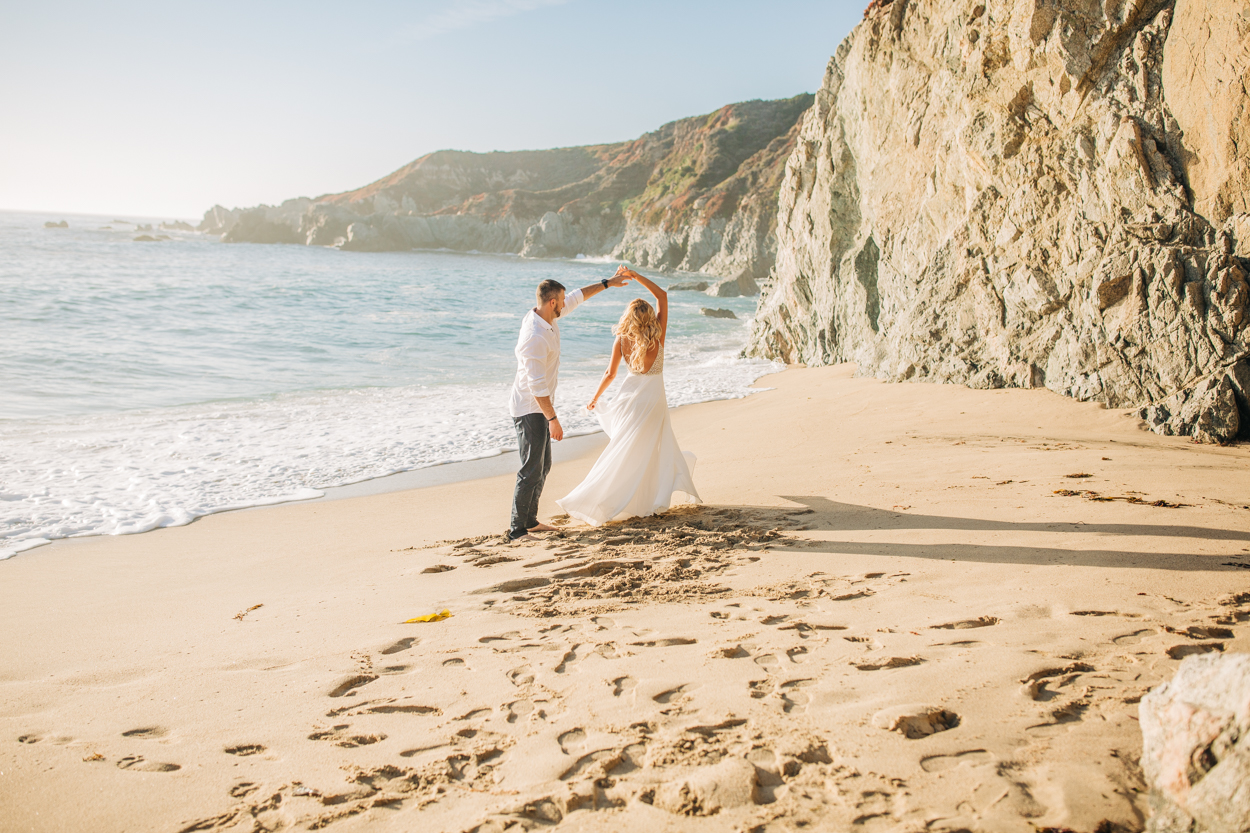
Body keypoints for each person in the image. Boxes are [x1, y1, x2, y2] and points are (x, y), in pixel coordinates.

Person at [556, 266, 701, 525]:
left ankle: (604, 496)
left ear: (629, 318)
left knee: (624, 449)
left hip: (629, 400)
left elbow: (609, 374)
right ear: (648, 317)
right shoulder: (658, 336)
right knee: (647, 450)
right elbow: (663, 296)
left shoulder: (622, 340)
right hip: (654, 400)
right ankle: (643, 499)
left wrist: (595, 398)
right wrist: (636, 276)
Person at [506, 270, 631, 542]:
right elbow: (536, 385)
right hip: (529, 407)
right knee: (531, 468)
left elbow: (578, 296)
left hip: (539, 406)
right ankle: (517, 530)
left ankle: (530, 521)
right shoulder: (534, 335)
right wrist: (553, 419)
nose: (565, 304)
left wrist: (607, 283)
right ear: (552, 303)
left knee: (543, 465)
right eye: (560, 301)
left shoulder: (547, 316)